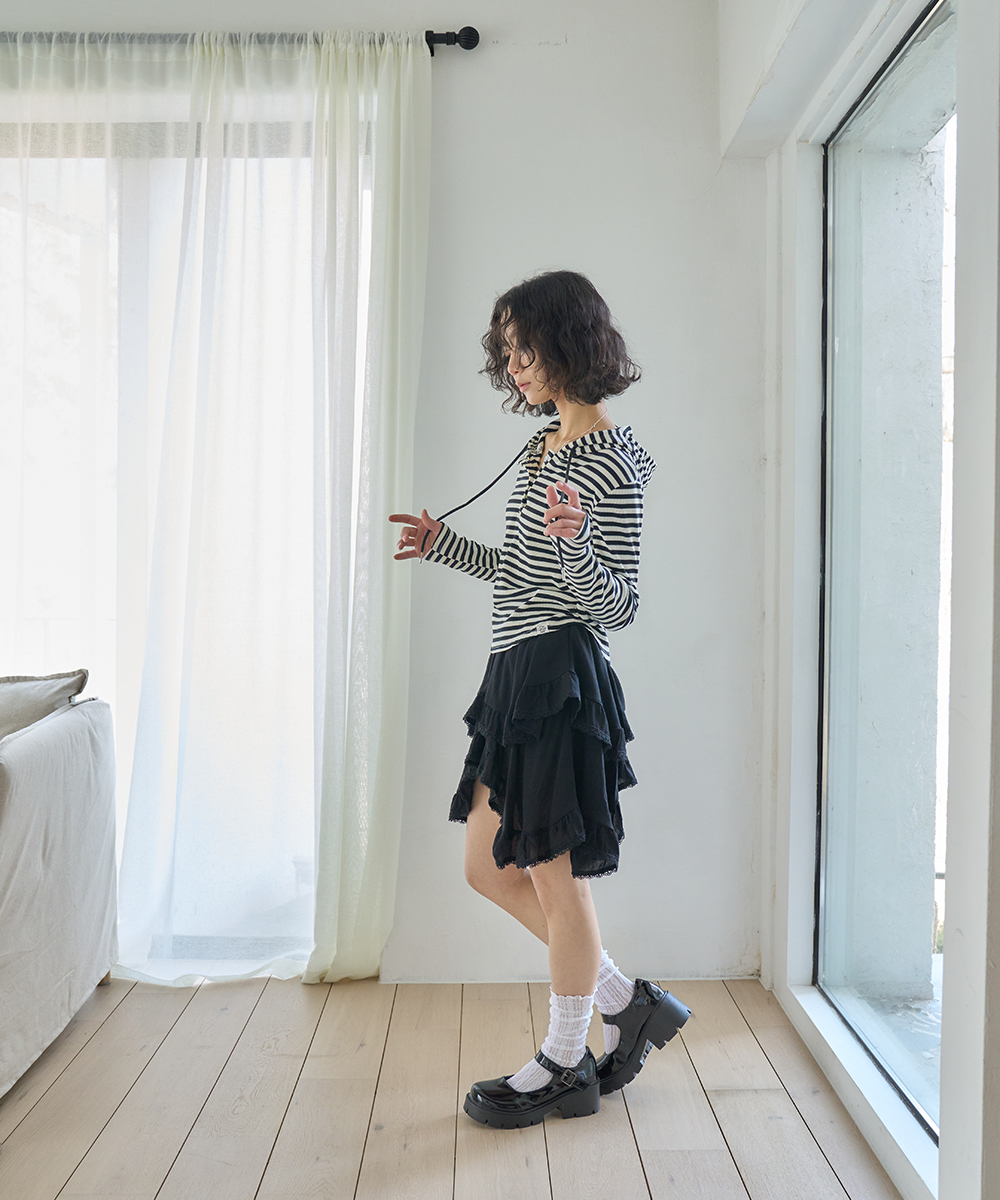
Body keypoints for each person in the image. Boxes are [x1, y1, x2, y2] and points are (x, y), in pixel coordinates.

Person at [389, 270, 690, 1129]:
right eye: (507, 351)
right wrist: (446, 546)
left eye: (525, 349)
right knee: (487, 867)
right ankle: (627, 1002)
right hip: (514, 674)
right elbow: (520, 574)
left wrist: (579, 541)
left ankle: (566, 1062)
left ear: (569, 343)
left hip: (560, 679)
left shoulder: (613, 460)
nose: (514, 365)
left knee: (560, 884)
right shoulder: (540, 448)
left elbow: (617, 606)